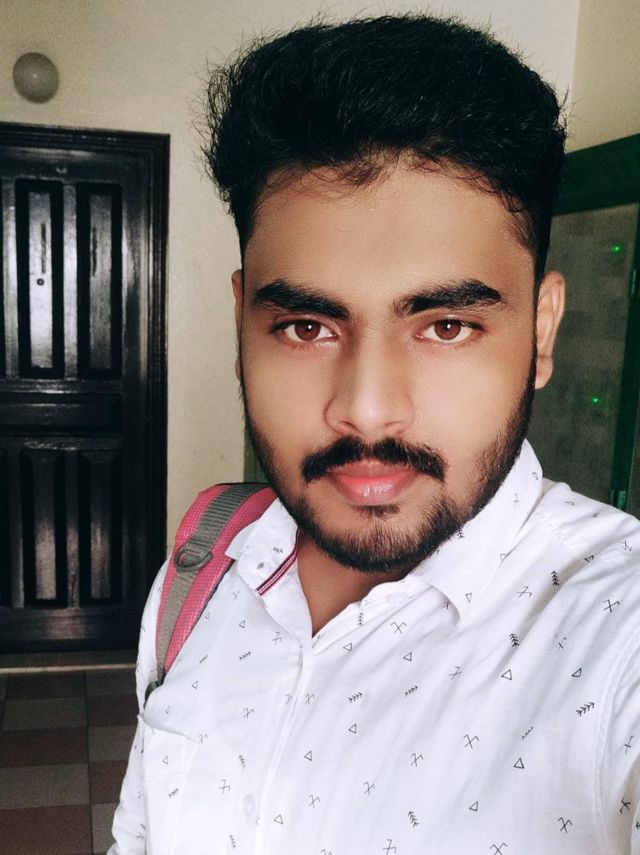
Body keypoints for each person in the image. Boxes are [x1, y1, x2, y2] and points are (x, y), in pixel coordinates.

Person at [110, 14, 640, 855]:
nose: (364, 410)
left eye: (447, 326)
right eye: (307, 327)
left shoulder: (617, 632)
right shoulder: (204, 566)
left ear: (541, 332)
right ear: (243, 321)